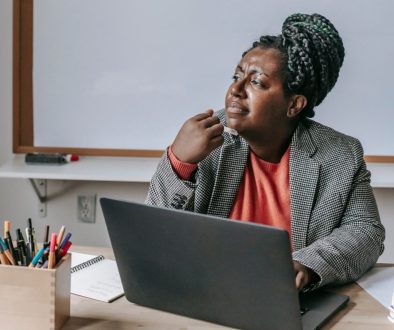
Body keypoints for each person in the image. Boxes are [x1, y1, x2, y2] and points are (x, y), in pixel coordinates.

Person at [146, 13, 385, 291]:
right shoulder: (204, 140)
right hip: (205, 290)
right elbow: (152, 236)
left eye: (256, 82)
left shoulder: (341, 154)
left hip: (284, 300)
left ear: (294, 104)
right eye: (236, 76)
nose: (235, 90)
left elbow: (366, 233)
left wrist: (307, 265)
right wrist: (179, 161)